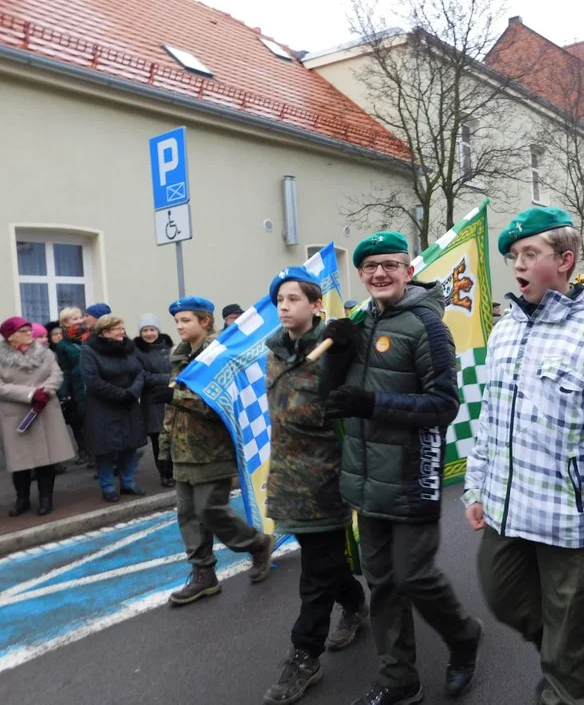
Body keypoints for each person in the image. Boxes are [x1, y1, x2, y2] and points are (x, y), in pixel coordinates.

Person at [464, 207, 584, 705]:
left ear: (564, 260)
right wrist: (477, 485)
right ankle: (575, 653)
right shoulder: (504, 330)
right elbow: (490, 419)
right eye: (512, 256)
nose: (517, 265)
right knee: (501, 596)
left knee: (566, 650)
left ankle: (570, 671)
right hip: (507, 507)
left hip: (572, 522)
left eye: (529, 254)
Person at [329, 231, 482, 705]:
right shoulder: (358, 322)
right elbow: (334, 399)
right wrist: (335, 357)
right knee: (382, 581)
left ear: (407, 271)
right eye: (371, 266)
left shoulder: (428, 326)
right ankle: (399, 679)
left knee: (413, 575)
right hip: (364, 475)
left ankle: (463, 637)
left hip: (414, 471)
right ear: (360, 274)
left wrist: (372, 402)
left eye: (390, 265)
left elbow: (442, 405)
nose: (380, 273)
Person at [261, 267, 368, 705]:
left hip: (326, 475)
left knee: (315, 571)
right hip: (288, 475)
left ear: (315, 304)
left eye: (293, 299)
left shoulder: (335, 345)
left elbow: (354, 392)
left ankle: (305, 655)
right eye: (280, 300)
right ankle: (357, 603)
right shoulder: (274, 351)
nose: (284, 307)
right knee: (319, 561)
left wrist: (346, 350)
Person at [161, 297, 273, 606]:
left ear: (205, 321)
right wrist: (164, 446)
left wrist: (173, 397)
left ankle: (257, 543)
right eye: (177, 322)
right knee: (187, 514)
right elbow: (173, 411)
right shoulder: (180, 355)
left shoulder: (217, 355)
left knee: (210, 509)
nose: (180, 326)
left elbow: (222, 405)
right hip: (182, 449)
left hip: (213, 449)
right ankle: (204, 574)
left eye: (185, 320)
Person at [0, 317, 74, 516]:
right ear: (10, 336)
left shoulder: (45, 352)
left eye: (28, 330)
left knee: (46, 459)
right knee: (20, 462)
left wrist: (46, 392)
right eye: (23, 331)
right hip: (15, 414)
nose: (29, 334)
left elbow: (56, 374)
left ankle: (45, 499)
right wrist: (31, 394)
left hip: (45, 410)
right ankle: (22, 499)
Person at [80, 315, 147, 502]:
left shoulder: (128, 347)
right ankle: (108, 487)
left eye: (122, 327)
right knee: (106, 450)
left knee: (130, 446)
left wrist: (132, 392)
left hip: (129, 405)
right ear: (105, 332)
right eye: (118, 328)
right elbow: (92, 381)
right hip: (103, 407)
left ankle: (128, 482)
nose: (122, 331)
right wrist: (122, 394)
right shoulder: (89, 351)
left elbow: (138, 373)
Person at [135, 314, 175, 488]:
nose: (149, 333)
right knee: (160, 440)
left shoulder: (169, 348)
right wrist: (169, 379)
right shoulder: (137, 352)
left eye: (152, 329)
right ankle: (165, 474)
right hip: (152, 402)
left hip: (173, 399)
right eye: (145, 330)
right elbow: (142, 376)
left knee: (175, 438)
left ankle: (177, 471)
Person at [57, 307, 90, 467]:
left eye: (80, 318)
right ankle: (86, 452)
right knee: (80, 422)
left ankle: (99, 455)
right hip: (76, 387)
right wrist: (64, 393)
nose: (79, 321)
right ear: (65, 323)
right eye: (74, 319)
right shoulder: (63, 345)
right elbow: (64, 370)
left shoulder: (90, 337)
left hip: (92, 383)